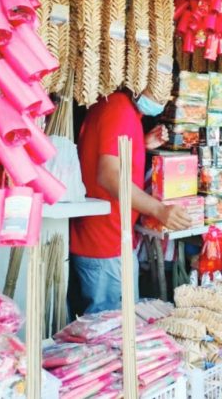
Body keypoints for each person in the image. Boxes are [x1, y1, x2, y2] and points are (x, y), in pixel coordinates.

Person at [67, 87, 191, 318]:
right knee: (113, 333)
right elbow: (109, 176)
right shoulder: (118, 108)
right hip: (106, 243)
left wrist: (141, 145)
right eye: (161, 90)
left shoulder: (117, 108)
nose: (163, 100)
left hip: (104, 239)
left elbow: (106, 157)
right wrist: (159, 209)